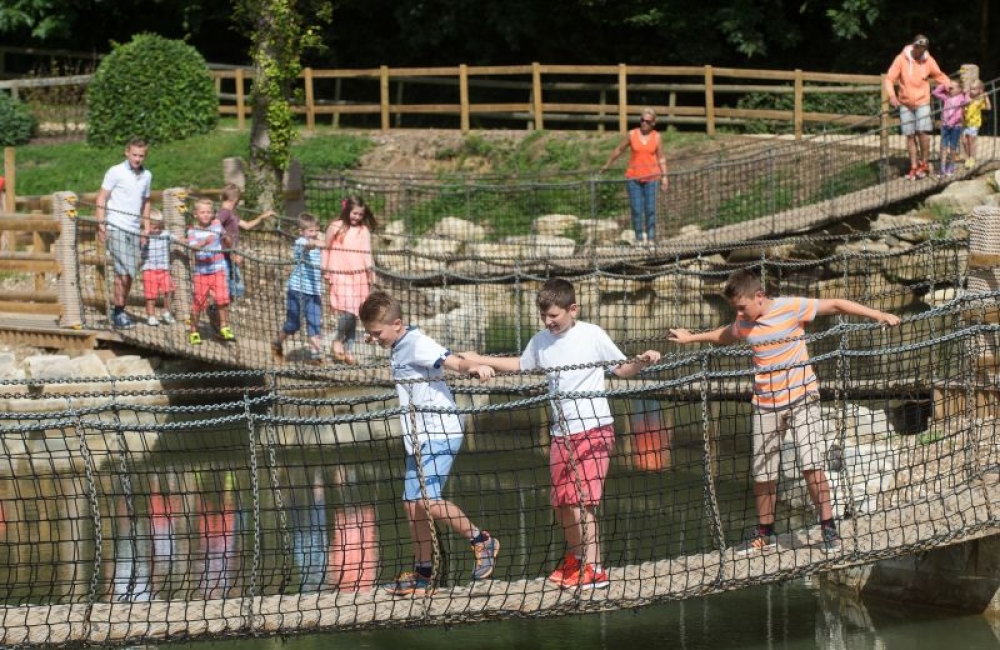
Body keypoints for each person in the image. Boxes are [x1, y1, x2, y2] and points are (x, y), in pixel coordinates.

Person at [667, 269, 900, 555]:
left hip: (802, 397)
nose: (739, 312)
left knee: (810, 463)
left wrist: (879, 315)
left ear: (760, 296)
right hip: (765, 403)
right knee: (763, 473)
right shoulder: (744, 321)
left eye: (742, 306)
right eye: (735, 308)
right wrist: (690, 338)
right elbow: (724, 336)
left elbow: (837, 304)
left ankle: (828, 529)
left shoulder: (791, 307)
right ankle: (763, 535)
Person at [461, 278, 661, 590]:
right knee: (562, 503)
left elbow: (621, 369)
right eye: (544, 316)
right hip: (561, 434)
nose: (548, 321)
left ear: (572, 309)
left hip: (594, 428)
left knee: (583, 503)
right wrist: (479, 359)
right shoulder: (542, 340)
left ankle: (595, 568)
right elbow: (520, 364)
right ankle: (577, 560)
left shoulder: (591, 334)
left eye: (554, 315)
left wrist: (641, 361)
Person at [358, 291, 499, 596]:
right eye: (371, 334)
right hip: (418, 437)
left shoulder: (418, 343)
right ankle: (424, 573)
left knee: (427, 500)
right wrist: (378, 338)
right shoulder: (396, 340)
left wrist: (471, 367)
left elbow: (450, 360)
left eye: (377, 333)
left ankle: (482, 541)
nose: (374, 338)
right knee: (412, 506)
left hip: (440, 431)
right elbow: (392, 341)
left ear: (397, 324)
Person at [96, 137, 153, 329]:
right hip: (116, 225)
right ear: (127, 152)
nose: (137, 159)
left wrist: (146, 227)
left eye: (141, 156)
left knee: (130, 273)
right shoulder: (115, 171)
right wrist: (101, 223)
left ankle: (119, 309)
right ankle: (119, 312)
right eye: (134, 154)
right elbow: (102, 197)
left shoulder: (147, 176)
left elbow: (146, 201)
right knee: (125, 270)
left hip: (134, 228)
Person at [884, 35, 950, 180]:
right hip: (905, 103)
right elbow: (889, 78)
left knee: (923, 132)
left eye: (924, 48)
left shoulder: (928, 60)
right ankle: (913, 166)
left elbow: (939, 76)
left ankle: (924, 164)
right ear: (914, 46)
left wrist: (952, 87)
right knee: (909, 135)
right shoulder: (901, 59)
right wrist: (892, 96)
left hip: (922, 101)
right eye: (919, 48)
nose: (921, 51)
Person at [600, 107, 668, 247]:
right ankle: (638, 238)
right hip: (633, 177)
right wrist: (607, 164)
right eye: (642, 120)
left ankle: (650, 238)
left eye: (647, 121)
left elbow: (661, 158)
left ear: (653, 123)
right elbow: (619, 149)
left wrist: (665, 177)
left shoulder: (656, 137)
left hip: (652, 177)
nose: (644, 123)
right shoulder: (632, 134)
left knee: (650, 209)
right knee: (636, 209)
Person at [323, 195, 377, 365]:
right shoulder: (335, 227)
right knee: (347, 310)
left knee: (355, 312)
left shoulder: (364, 231)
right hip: (339, 272)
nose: (357, 217)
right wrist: (325, 269)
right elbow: (326, 247)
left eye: (360, 214)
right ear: (347, 211)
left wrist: (371, 272)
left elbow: (367, 252)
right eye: (354, 213)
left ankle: (349, 349)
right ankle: (338, 339)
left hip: (358, 275)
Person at [272, 212, 325, 364]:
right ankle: (277, 343)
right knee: (292, 325)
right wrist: (316, 243)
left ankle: (316, 357)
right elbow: (307, 247)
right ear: (302, 232)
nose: (314, 234)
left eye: (316, 230)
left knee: (314, 323)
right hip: (297, 290)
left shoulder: (318, 241)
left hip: (314, 292)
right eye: (310, 231)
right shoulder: (300, 242)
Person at [216, 183, 275, 300]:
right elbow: (217, 225)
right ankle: (217, 309)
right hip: (226, 255)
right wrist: (232, 250)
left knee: (236, 288)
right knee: (228, 287)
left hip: (230, 254)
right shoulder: (225, 213)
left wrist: (261, 217)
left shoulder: (231, 214)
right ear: (236, 199)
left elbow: (247, 225)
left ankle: (223, 310)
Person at [186, 198, 233, 345]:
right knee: (198, 303)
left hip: (218, 269)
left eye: (208, 212)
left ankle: (225, 326)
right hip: (201, 272)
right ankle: (193, 330)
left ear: (212, 214)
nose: (206, 215)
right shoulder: (192, 231)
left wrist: (226, 238)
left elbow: (228, 243)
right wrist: (205, 242)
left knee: (222, 298)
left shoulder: (217, 225)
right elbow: (192, 248)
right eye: (202, 212)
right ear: (196, 214)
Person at [140, 209, 176, 326]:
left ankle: (166, 312)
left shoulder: (165, 234)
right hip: (149, 270)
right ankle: (151, 315)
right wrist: (143, 238)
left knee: (170, 291)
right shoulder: (143, 235)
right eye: (154, 227)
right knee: (151, 295)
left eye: (159, 227)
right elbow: (139, 245)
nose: (157, 230)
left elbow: (179, 239)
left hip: (164, 270)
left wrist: (190, 240)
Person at [932, 82, 966, 176]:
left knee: (952, 147)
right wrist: (944, 85)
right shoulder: (946, 97)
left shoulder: (961, 98)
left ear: (959, 89)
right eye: (949, 88)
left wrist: (952, 122)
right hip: (945, 125)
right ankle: (942, 167)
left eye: (952, 88)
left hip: (955, 126)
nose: (950, 89)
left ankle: (951, 165)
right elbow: (935, 93)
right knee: (943, 146)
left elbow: (959, 113)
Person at [961, 79, 992, 169]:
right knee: (964, 141)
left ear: (980, 90)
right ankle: (968, 157)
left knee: (971, 141)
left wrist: (986, 97)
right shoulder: (967, 96)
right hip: (965, 122)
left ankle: (972, 158)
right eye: (971, 88)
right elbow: (962, 101)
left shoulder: (980, 99)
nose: (971, 91)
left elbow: (989, 108)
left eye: (974, 89)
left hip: (974, 123)